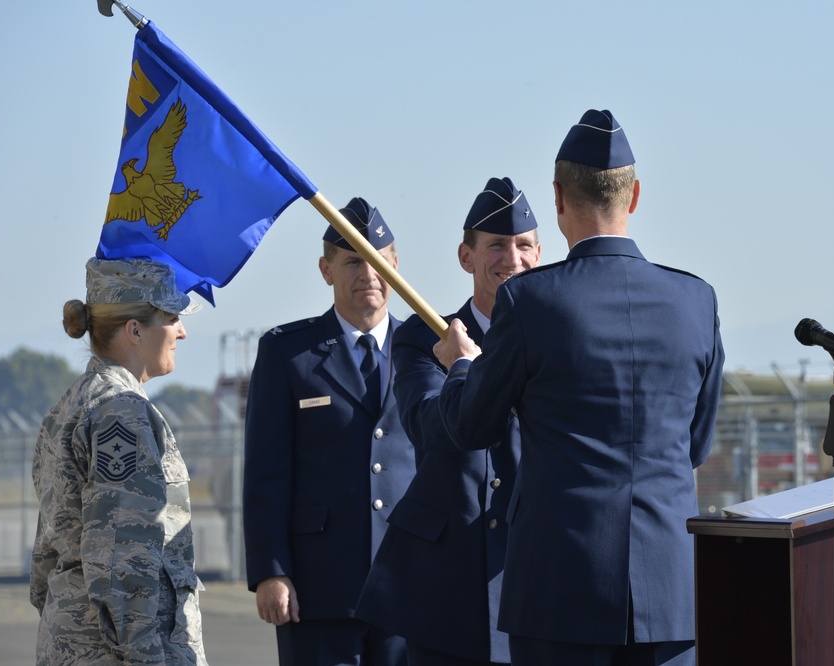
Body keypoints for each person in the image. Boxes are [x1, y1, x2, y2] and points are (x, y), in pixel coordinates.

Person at [433, 110, 725, 666]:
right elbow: (696, 444)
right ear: (634, 195)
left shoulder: (530, 300)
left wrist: (462, 365)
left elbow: (473, 426)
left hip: (560, 590)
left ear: (559, 198)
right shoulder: (696, 300)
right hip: (670, 590)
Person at [356, 177, 541, 665]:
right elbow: (429, 424)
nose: (512, 258)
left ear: (539, 254)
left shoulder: (555, 336)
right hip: (446, 581)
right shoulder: (424, 337)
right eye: (496, 246)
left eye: (523, 246)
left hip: (528, 572)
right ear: (467, 257)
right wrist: (462, 365)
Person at [243, 197, 417, 666]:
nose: (368, 274)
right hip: (318, 590)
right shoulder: (289, 354)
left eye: (379, 261)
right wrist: (270, 571)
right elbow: (266, 472)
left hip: (409, 587)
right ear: (326, 270)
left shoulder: (427, 351)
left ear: (395, 265)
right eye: (352, 261)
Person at [29, 257, 208, 665]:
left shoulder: (69, 405)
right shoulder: (120, 410)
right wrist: (146, 655)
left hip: (76, 639)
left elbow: (46, 555)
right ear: (135, 330)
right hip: (120, 651)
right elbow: (123, 553)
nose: (182, 331)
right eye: (171, 317)